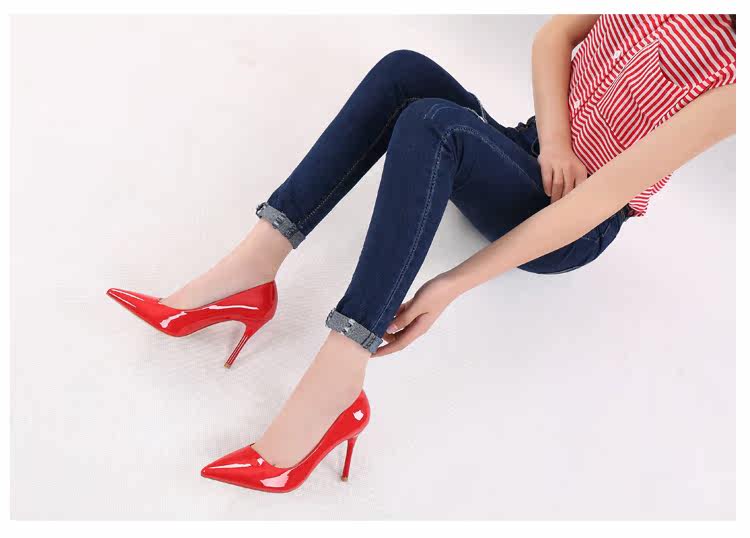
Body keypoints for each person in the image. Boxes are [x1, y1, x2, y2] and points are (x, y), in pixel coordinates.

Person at [108, 14, 736, 493]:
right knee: (404, 72)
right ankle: (253, 268)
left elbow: (596, 202)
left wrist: (452, 284)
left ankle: (340, 373)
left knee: (434, 123)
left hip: (572, 219)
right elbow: (555, 36)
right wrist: (555, 142)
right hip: (532, 150)